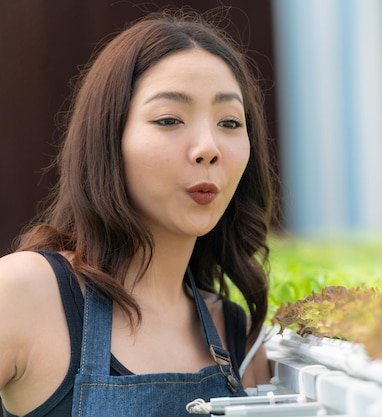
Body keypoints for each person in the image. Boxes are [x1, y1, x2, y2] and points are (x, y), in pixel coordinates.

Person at [0, 8, 276, 417]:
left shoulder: (237, 335)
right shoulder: (25, 292)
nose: (208, 147)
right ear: (109, 138)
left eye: (230, 122)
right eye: (169, 119)